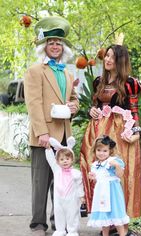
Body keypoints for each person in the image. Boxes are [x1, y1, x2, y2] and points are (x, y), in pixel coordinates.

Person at [24, 16, 79, 236]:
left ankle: (60, 223)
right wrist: (42, 133)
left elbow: (74, 98)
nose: (55, 46)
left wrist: (74, 106)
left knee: (63, 181)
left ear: (63, 47)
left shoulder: (67, 72)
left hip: (64, 136)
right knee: (41, 182)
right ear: (45, 46)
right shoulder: (35, 71)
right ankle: (38, 224)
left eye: (58, 43)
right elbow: (34, 104)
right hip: (43, 136)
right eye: (51, 42)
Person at [79, 43, 141, 234]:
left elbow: (134, 110)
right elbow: (95, 105)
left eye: (112, 57)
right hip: (97, 133)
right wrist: (92, 111)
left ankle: (120, 224)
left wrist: (137, 132)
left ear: (120, 61)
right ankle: (106, 221)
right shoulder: (98, 81)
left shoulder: (130, 84)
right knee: (97, 173)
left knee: (119, 174)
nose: (107, 59)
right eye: (106, 55)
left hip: (120, 133)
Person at [87, 135, 130, 236]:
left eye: (105, 151)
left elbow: (120, 175)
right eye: (99, 150)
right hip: (101, 193)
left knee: (116, 215)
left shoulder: (112, 161)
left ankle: (122, 234)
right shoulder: (95, 165)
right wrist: (93, 177)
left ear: (110, 151)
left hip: (113, 192)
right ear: (95, 150)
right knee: (104, 217)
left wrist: (117, 165)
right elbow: (97, 178)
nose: (101, 153)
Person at [45, 136, 85, 236]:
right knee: (59, 214)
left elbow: (80, 185)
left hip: (72, 199)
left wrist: (81, 196)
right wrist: (48, 150)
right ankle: (60, 230)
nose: (65, 161)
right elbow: (50, 159)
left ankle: (72, 231)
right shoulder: (56, 170)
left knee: (72, 215)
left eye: (67, 158)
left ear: (72, 160)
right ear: (58, 161)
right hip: (59, 199)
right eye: (62, 159)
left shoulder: (76, 173)